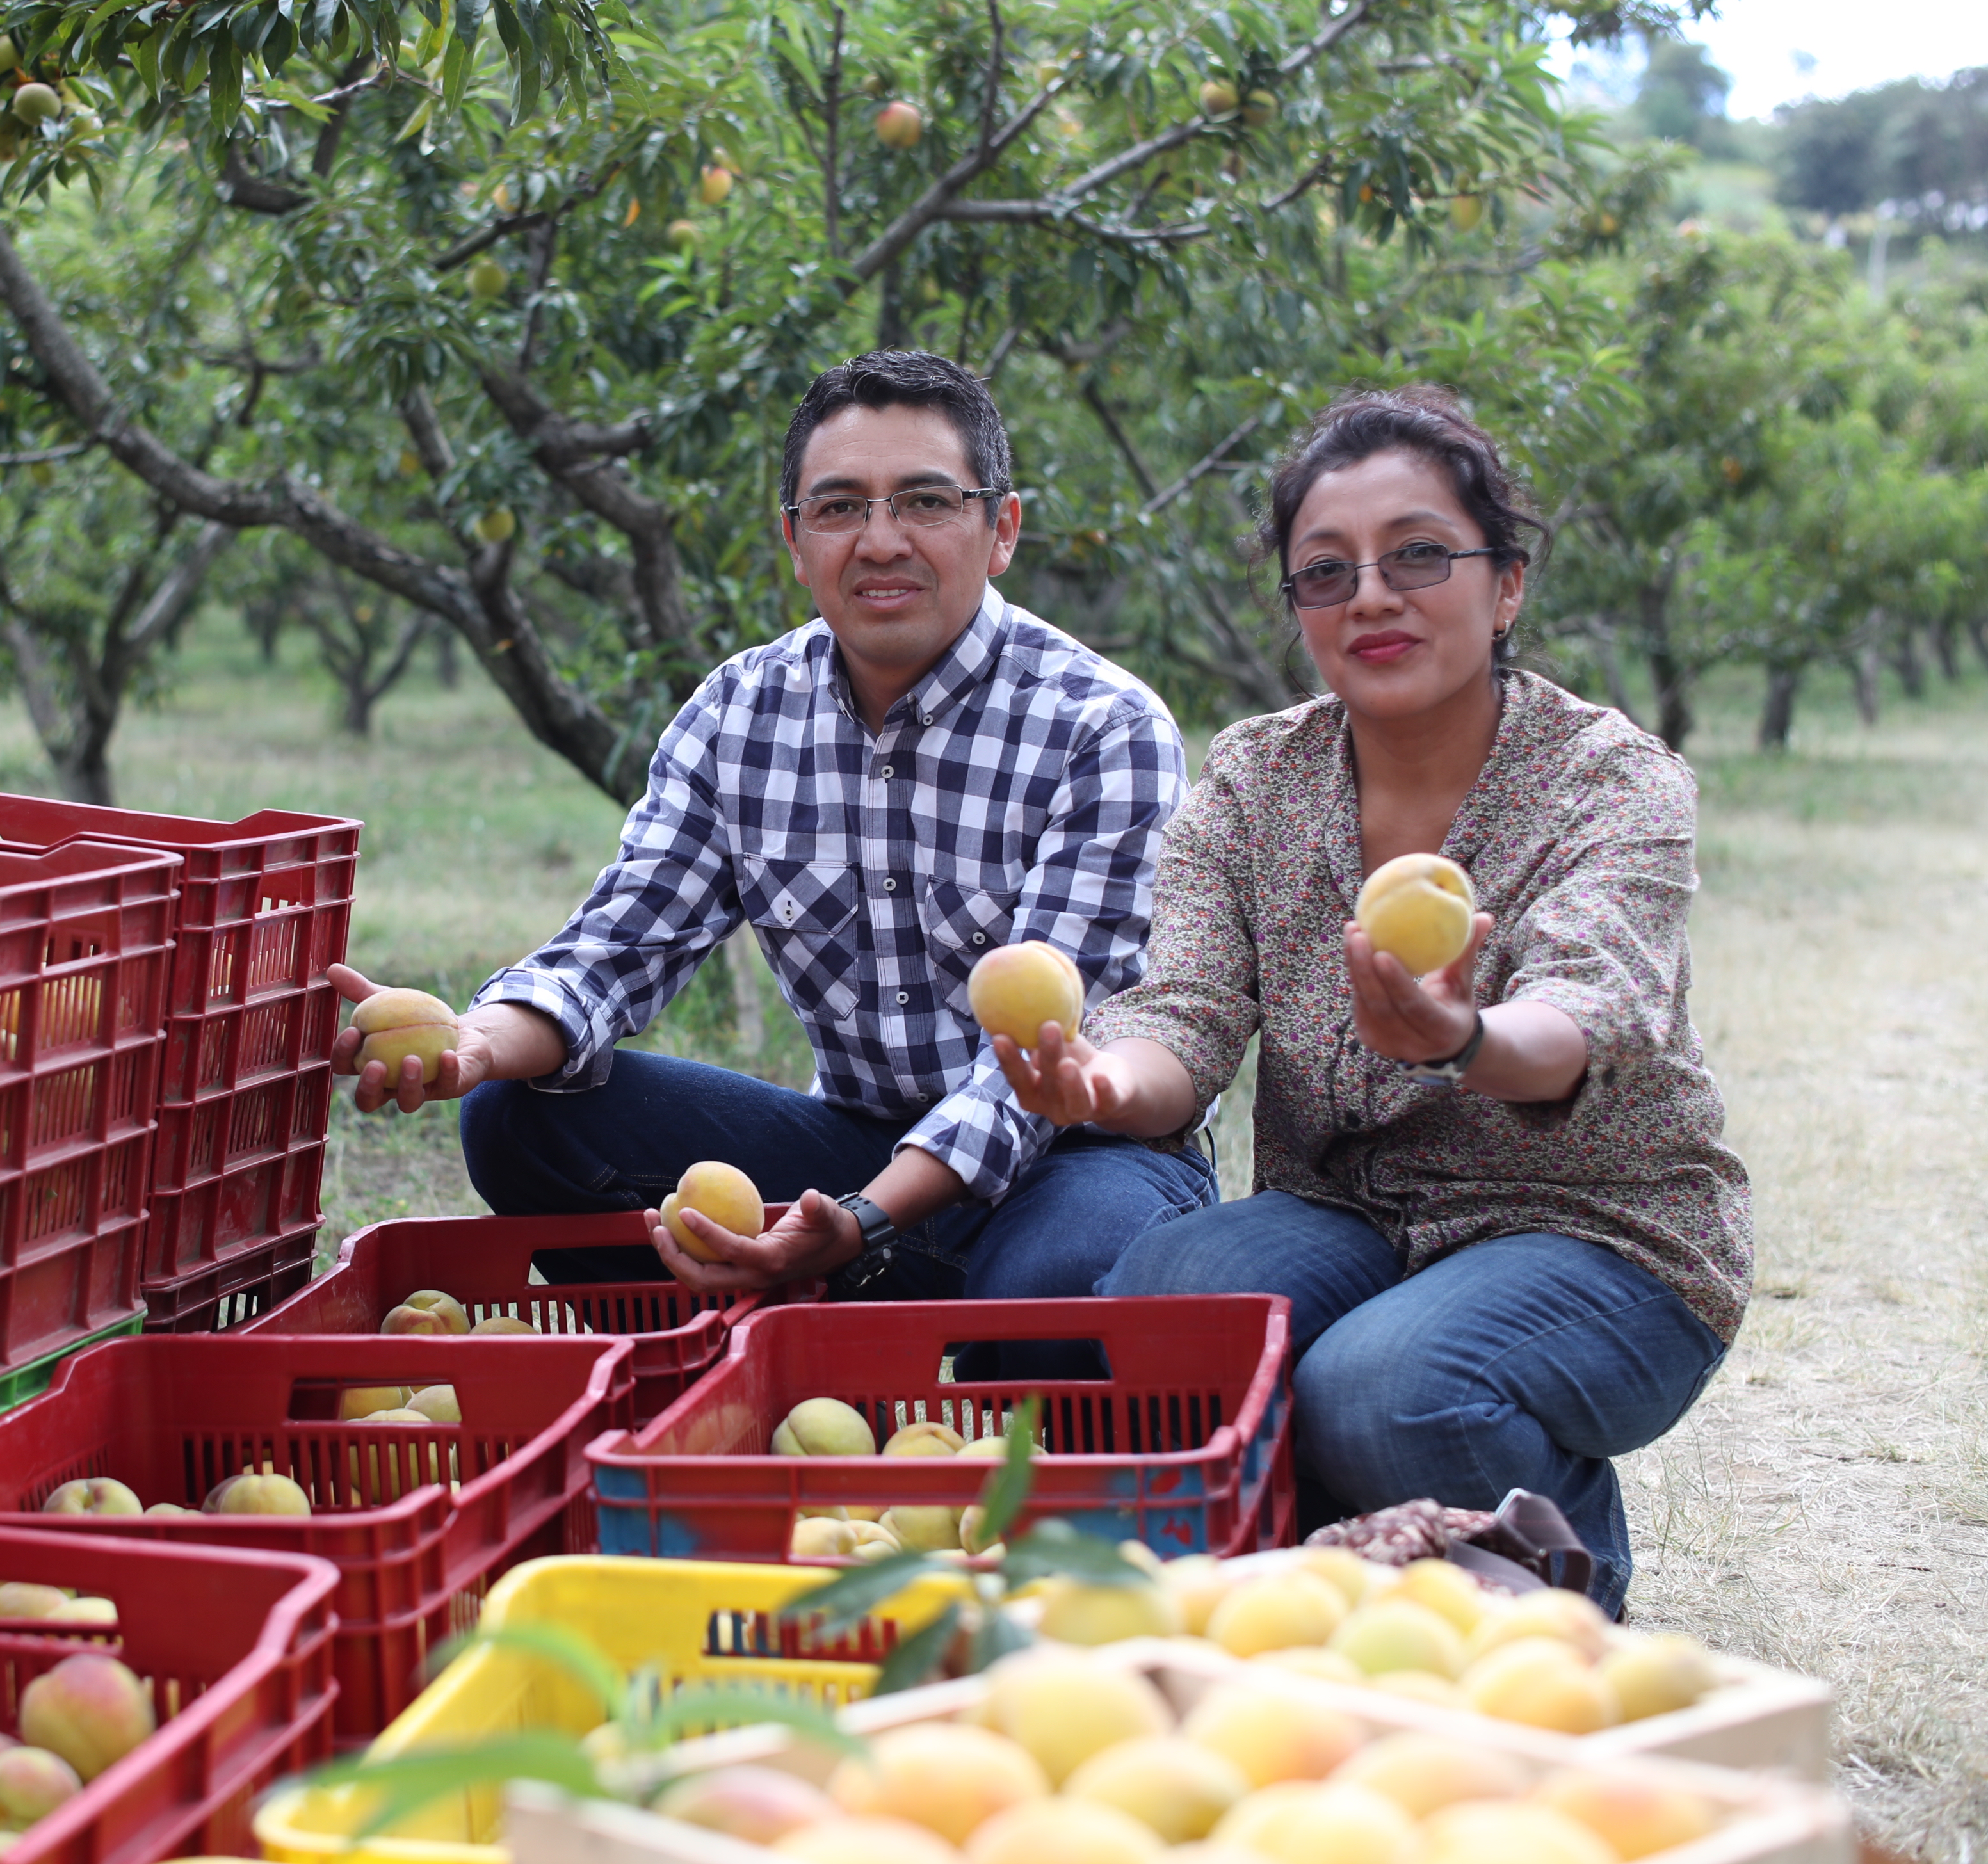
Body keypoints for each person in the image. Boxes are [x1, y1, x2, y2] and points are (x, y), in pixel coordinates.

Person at [997, 384, 1750, 1613]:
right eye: (1327, 572)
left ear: (1506, 585)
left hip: (1599, 1230)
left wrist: (1464, 1038)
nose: (1374, 597)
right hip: (1354, 1214)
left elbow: (1589, 1008)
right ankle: (1329, 1594)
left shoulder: (1612, 779)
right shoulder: (1252, 780)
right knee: (1156, 1310)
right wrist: (1097, 1081)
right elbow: (1180, 1016)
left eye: (1419, 556)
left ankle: (1561, 1584)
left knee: (1383, 1387)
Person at [325, 350, 1215, 1352]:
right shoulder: (742, 713)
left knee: (1045, 1287)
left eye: (924, 501)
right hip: (858, 1142)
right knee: (519, 1119)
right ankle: (711, 1385)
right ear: (796, 541)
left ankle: (899, 1323)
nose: (881, 541)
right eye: (839, 509)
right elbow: (618, 948)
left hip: (1076, 1159)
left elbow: (1039, 1076)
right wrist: (478, 1044)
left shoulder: (1104, 728)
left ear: (1000, 528)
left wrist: (869, 1218)